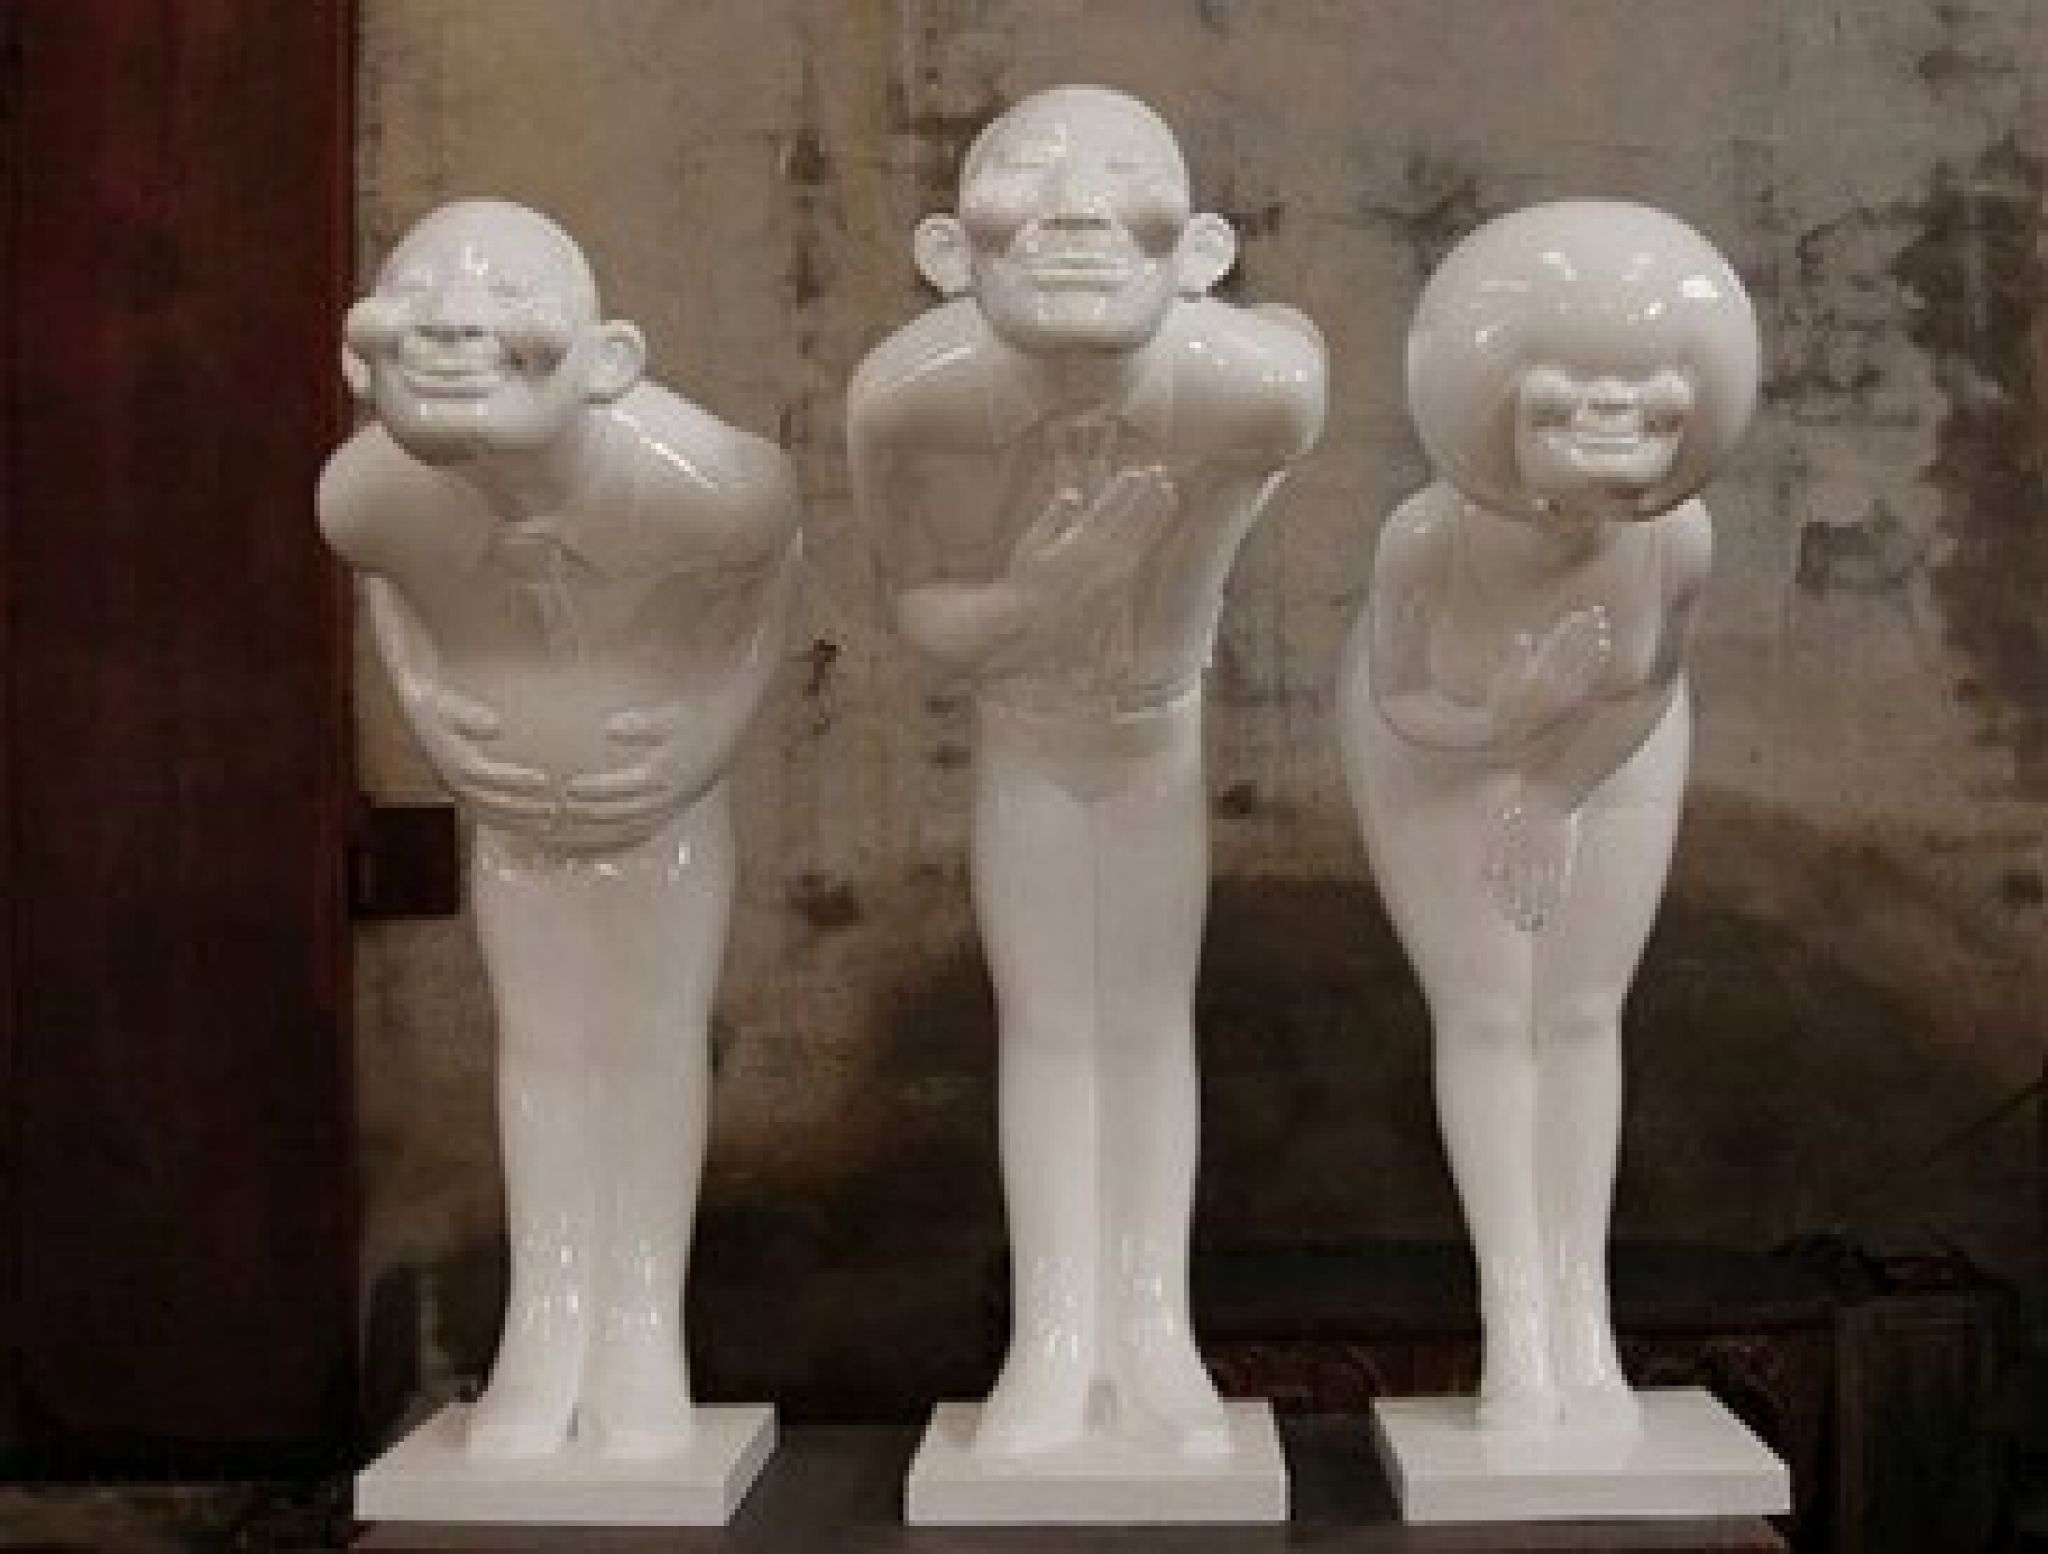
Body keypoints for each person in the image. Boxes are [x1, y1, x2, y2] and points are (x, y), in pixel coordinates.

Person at [849, 86, 1325, 1459]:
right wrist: (1036, 599)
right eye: (1032, 177)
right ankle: (1057, 1335)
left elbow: (1296, 364)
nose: (1073, 208)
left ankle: (1153, 1327)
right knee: (1052, 1027)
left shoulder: (1253, 394)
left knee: (1149, 1021)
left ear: (1200, 252)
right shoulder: (906, 407)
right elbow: (918, 609)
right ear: (950, 251)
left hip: (1155, 737)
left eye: (1120, 175)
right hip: (1029, 736)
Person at [319, 199, 800, 1459]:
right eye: (420, 298)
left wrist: (701, 738)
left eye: (501, 297)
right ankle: (549, 1320)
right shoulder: (366, 494)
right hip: (516, 816)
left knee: (645, 1041)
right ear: (361, 357)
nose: (453, 323)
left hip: (654, 813)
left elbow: (770, 577)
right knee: (539, 1050)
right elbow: (390, 590)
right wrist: (428, 706)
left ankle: (638, 1328)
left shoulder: (708, 488)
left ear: (608, 360)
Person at [1338, 200, 1758, 1433]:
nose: (1610, 423)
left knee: (1577, 1014)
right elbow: (1403, 698)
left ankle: (1582, 1313)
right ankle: (1513, 1319)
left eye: (1647, 399)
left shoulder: (1676, 536)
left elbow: (1648, 684)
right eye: (1569, 397)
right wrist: (1499, 724)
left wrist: (1553, 787)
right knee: (1486, 1014)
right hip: (1433, 745)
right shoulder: (1424, 538)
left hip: (1608, 749)